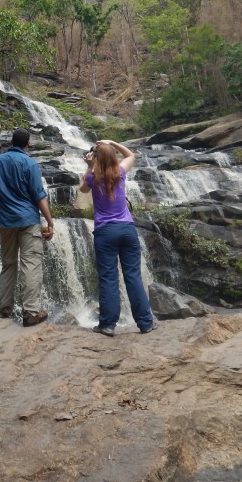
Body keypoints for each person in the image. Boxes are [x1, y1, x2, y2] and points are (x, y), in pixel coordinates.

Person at [79, 139, 158, 336]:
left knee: (108, 278)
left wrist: (89, 167)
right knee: (133, 276)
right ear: (113, 157)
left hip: (105, 232)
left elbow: (82, 189)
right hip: (127, 230)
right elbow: (131, 155)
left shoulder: (93, 178)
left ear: (96, 159)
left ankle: (107, 324)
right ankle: (146, 323)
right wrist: (112, 142)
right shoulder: (120, 173)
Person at [0, 128, 55, 327]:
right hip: (28, 220)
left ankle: (2, 310)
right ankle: (31, 312)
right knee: (31, 263)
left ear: (10, 141)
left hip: (5, 221)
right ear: (28, 144)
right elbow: (38, 194)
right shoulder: (29, 163)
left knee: (8, 264)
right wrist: (49, 221)